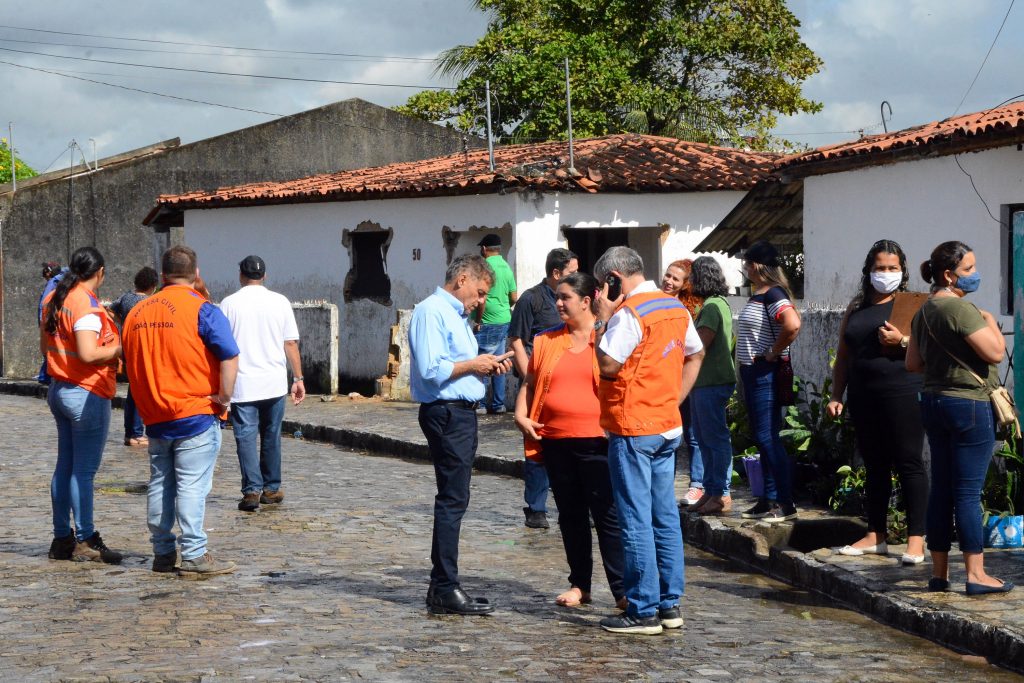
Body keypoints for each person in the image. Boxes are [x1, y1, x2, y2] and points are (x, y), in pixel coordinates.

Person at [593, 246, 704, 635]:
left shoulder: (630, 314)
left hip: (633, 427)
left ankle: (641, 609)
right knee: (665, 517)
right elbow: (695, 354)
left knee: (635, 519)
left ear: (614, 280)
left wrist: (603, 321)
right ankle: (670, 604)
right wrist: (675, 398)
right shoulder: (674, 307)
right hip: (667, 424)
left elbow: (608, 364)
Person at [122, 246, 240, 578]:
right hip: (196, 411)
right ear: (196, 274)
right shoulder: (203, 310)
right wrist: (224, 398)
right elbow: (230, 356)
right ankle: (194, 555)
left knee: (160, 483)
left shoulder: (137, 313)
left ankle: (162, 552)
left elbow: (128, 362)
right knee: (191, 486)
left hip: (155, 415)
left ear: (162, 276)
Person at [513, 271, 626, 610]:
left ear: (587, 301)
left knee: (607, 515)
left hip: (598, 442)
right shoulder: (547, 340)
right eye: (557, 297)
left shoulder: (606, 338)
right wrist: (520, 415)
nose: (558, 303)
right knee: (570, 515)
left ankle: (621, 588)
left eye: (565, 298)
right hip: (555, 440)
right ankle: (580, 584)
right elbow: (530, 383)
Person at [906, 240, 1013, 595]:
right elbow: (996, 353)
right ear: (949, 275)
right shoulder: (962, 311)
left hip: (933, 402)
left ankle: (939, 574)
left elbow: (913, 364)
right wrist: (988, 321)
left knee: (942, 489)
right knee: (968, 493)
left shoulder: (922, 312)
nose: (974, 275)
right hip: (968, 405)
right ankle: (976, 574)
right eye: (968, 269)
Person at [409, 253, 513, 615]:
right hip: (447, 414)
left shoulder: (455, 316)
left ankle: (445, 584)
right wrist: (476, 363)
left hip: (460, 413)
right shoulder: (432, 311)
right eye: (481, 292)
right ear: (463, 279)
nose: (481, 301)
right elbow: (433, 368)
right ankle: (444, 586)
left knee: (457, 497)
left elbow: (455, 367)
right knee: (452, 500)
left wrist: (486, 368)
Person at [826, 240, 928, 563]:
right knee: (874, 466)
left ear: (903, 271)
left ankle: (916, 539)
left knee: (909, 462)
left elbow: (928, 348)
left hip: (902, 392)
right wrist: (835, 395)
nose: (886, 274)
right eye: (879, 268)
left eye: (892, 268)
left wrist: (902, 341)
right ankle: (875, 534)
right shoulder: (856, 307)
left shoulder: (911, 305)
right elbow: (844, 355)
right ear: (869, 271)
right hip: (863, 396)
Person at [40, 246, 123, 564]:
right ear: (100, 271)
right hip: (86, 393)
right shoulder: (85, 306)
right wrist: (118, 349)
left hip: (60, 388)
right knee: (84, 472)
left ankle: (62, 537)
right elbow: (89, 354)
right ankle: (86, 537)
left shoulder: (53, 299)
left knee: (65, 466)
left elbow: (44, 345)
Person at [220, 255, 306, 512]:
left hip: (243, 383)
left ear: (241, 275)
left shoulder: (229, 303)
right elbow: (290, 343)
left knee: (245, 437)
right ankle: (271, 487)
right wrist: (298, 378)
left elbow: (223, 347)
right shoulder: (280, 302)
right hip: (274, 382)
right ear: (264, 275)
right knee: (271, 435)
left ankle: (251, 491)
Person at [508, 247, 579, 529]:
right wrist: (532, 378)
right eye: (572, 272)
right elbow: (516, 340)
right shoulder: (531, 299)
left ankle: (574, 504)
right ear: (556, 273)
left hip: (567, 386)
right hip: (537, 385)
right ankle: (536, 507)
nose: (576, 276)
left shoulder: (575, 301)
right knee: (536, 445)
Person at [735, 241, 802, 523]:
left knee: (767, 438)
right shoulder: (760, 294)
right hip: (754, 372)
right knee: (763, 437)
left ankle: (785, 503)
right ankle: (768, 498)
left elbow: (792, 323)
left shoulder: (773, 294)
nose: (745, 268)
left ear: (757, 266)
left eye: (747, 263)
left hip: (765, 373)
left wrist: (773, 351)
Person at [686, 257, 736, 515]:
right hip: (707, 381)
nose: (690, 281)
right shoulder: (719, 304)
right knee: (705, 438)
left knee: (713, 438)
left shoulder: (712, 308)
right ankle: (712, 489)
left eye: (693, 276)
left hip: (711, 380)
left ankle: (721, 493)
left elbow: (699, 345)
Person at [660, 259, 706, 506]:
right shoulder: (654, 304)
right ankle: (666, 484)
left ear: (685, 285)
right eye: (667, 276)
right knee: (668, 436)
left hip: (683, 380)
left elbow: (694, 351)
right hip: (662, 379)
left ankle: (697, 485)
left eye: (675, 279)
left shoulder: (687, 312)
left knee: (691, 433)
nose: (668, 281)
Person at [109, 266, 160, 447]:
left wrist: (123, 324)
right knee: (140, 392)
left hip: (128, 348)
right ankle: (136, 433)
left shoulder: (126, 297)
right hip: (144, 349)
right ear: (153, 285)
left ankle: (130, 432)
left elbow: (110, 310)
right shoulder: (151, 302)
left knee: (133, 390)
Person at [474, 234, 518, 414]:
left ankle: (481, 404)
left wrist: (479, 319)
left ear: (484, 249)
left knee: (482, 362)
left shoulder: (484, 268)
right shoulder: (506, 267)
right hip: (505, 319)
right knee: (499, 362)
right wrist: (503, 307)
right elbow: (514, 297)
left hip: (488, 320)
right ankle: (499, 404)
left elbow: (482, 299)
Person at [37, 261, 67, 385]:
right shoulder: (64, 280)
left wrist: (42, 322)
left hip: (51, 321)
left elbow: (43, 304)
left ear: (49, 272)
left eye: (45, 271)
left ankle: (45, 376)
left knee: (50, 348)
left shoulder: (53, 282)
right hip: (57, 320)